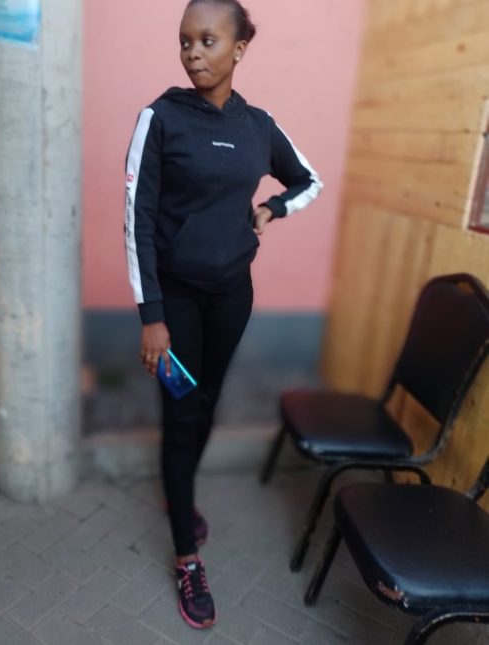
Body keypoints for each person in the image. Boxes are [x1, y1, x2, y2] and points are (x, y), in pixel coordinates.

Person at [124, 0, 323, 629]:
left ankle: (180, 492)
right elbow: (136, 220)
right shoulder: (159, 118)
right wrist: (152, 314)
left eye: (207, 40)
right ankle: (187, 555)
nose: (192, 52)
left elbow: (308, 180)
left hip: (233, 295)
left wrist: (272, 209)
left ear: (238, 49)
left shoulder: (258, 126)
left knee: (207, 399)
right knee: (180, 410)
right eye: (185, 41)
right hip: (176, 301)